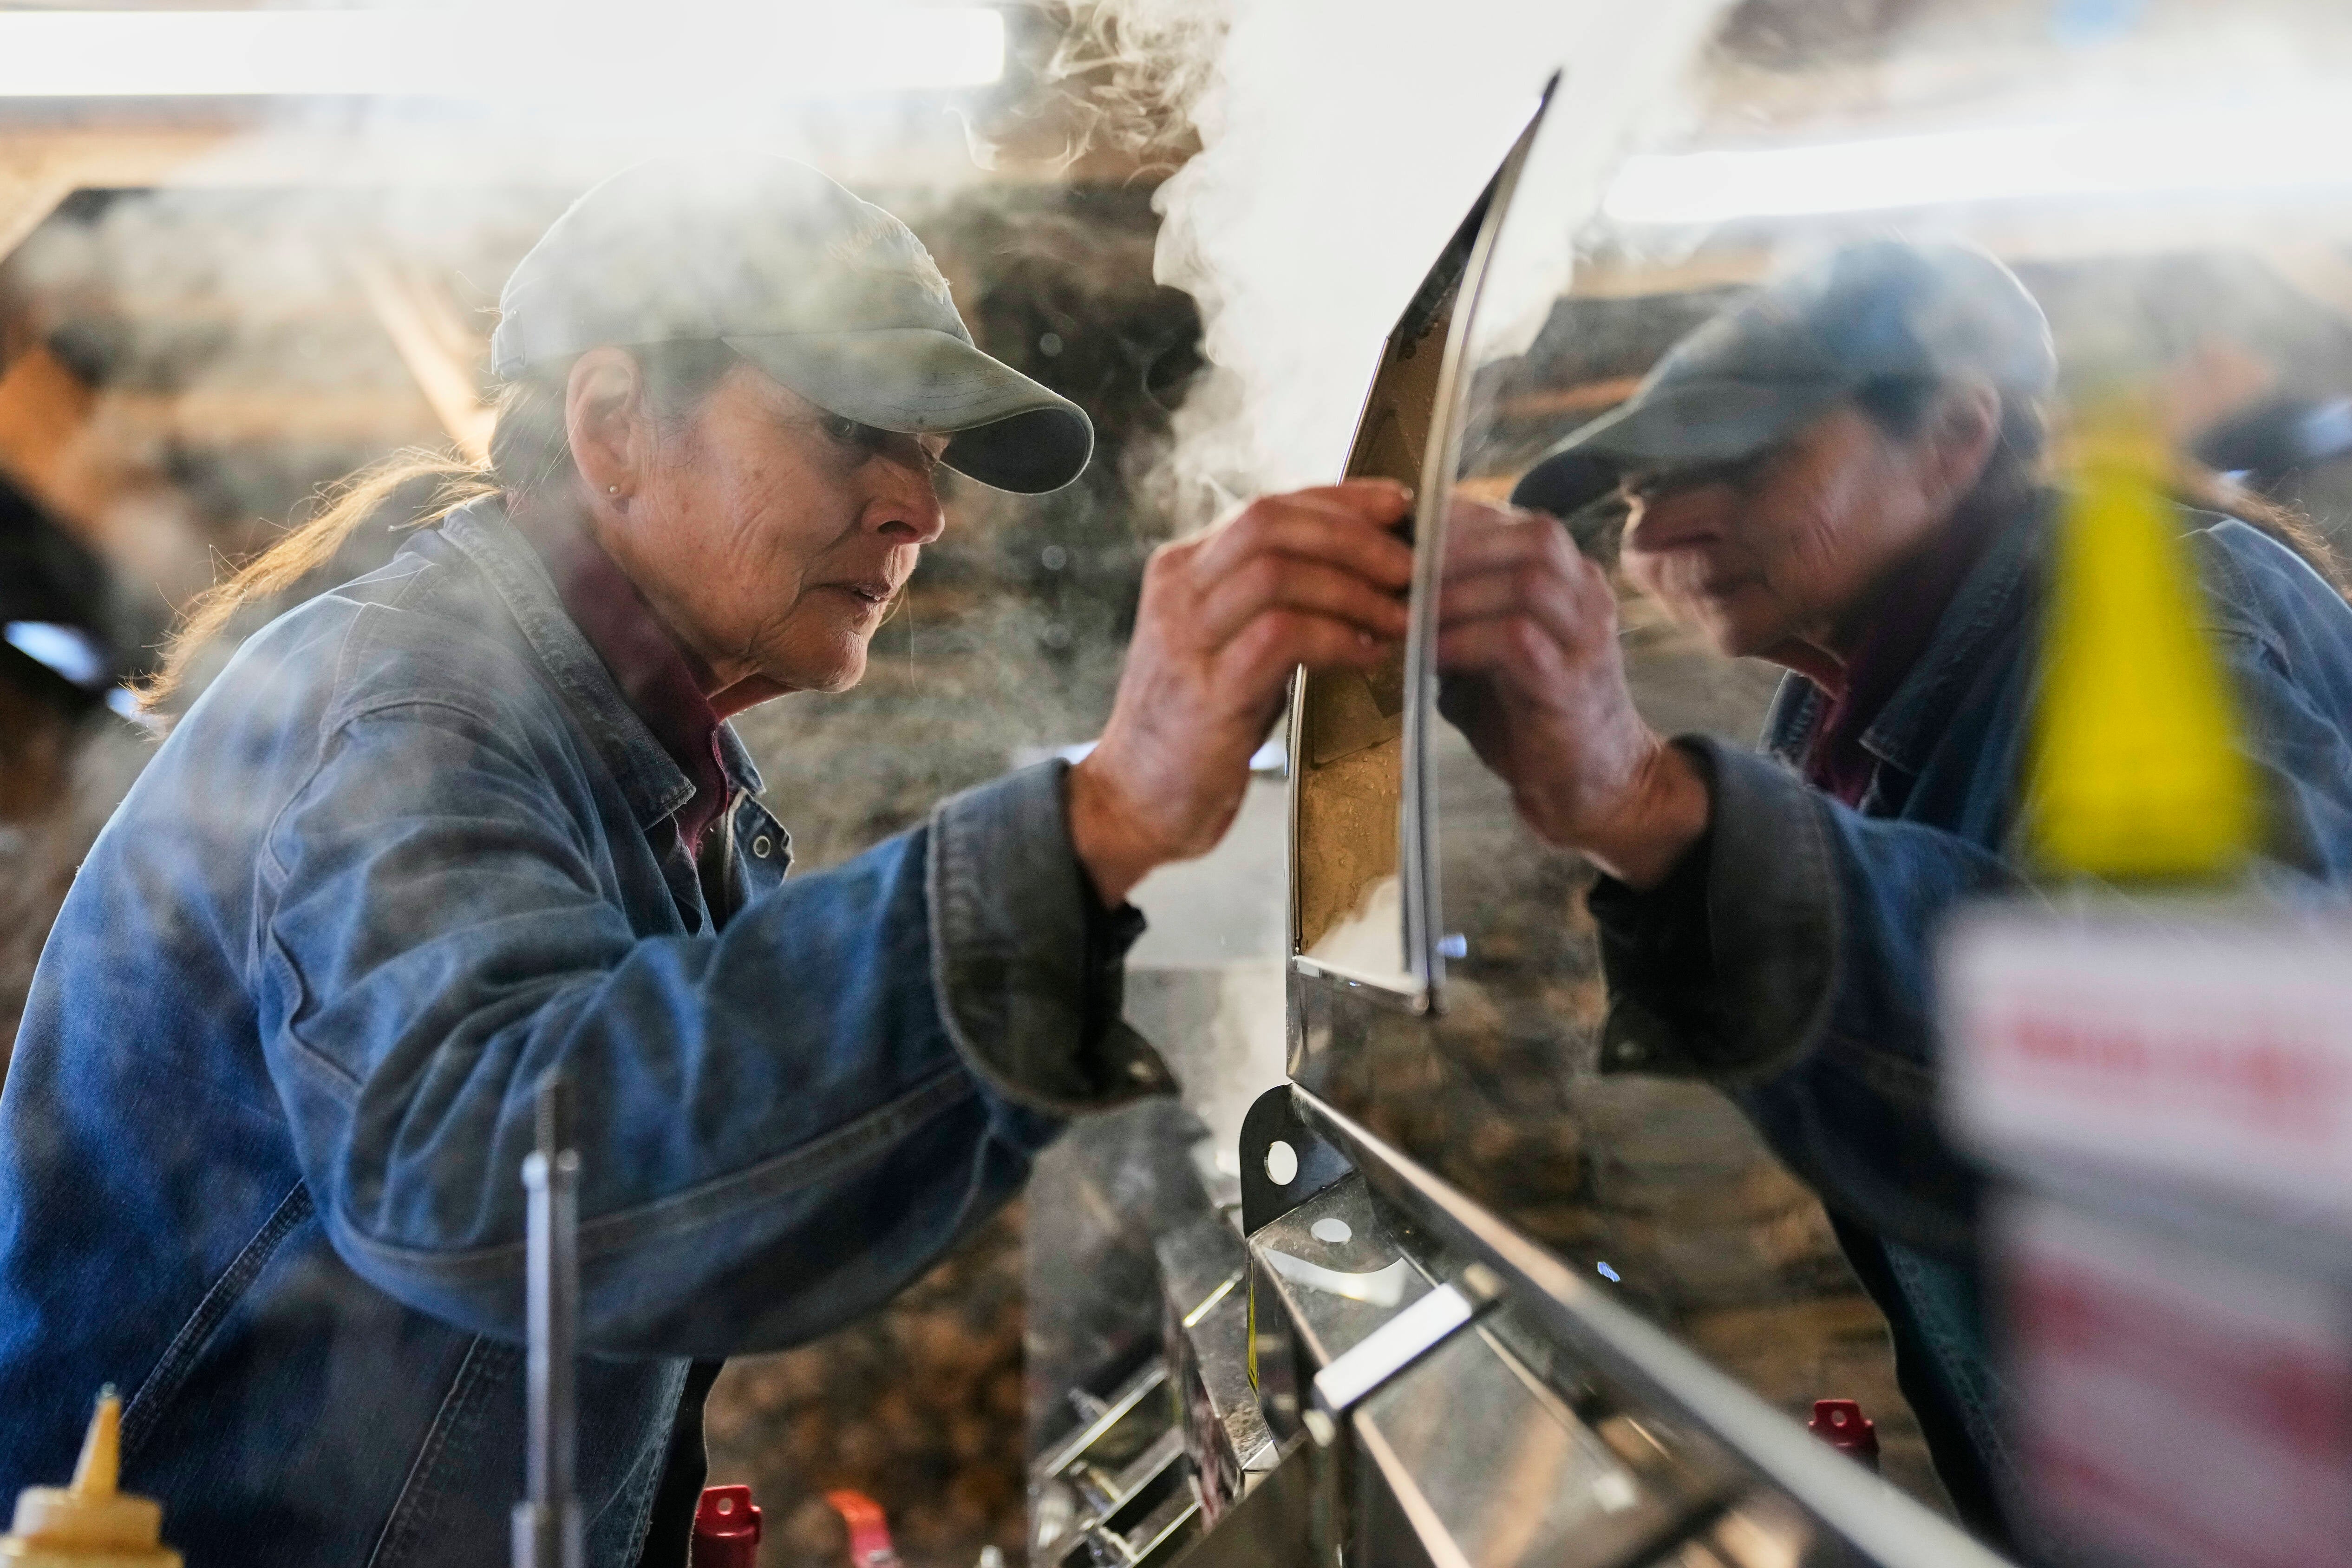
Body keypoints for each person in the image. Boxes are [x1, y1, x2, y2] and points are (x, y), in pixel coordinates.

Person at [0, 156, 1417, 1565]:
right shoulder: (421, 712)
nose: (920, 510)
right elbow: (507, 1167)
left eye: (930, 456)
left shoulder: (645, 778)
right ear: (614, 421)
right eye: (856, 428)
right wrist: (1090, 826)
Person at [1434, 241, 2352, 1550]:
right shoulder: (1836, 726)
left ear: (1955, 434)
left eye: (1741, 461)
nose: (1662, 530)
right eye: (1641, 491)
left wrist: (1651, 806)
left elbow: (2181, 1094)